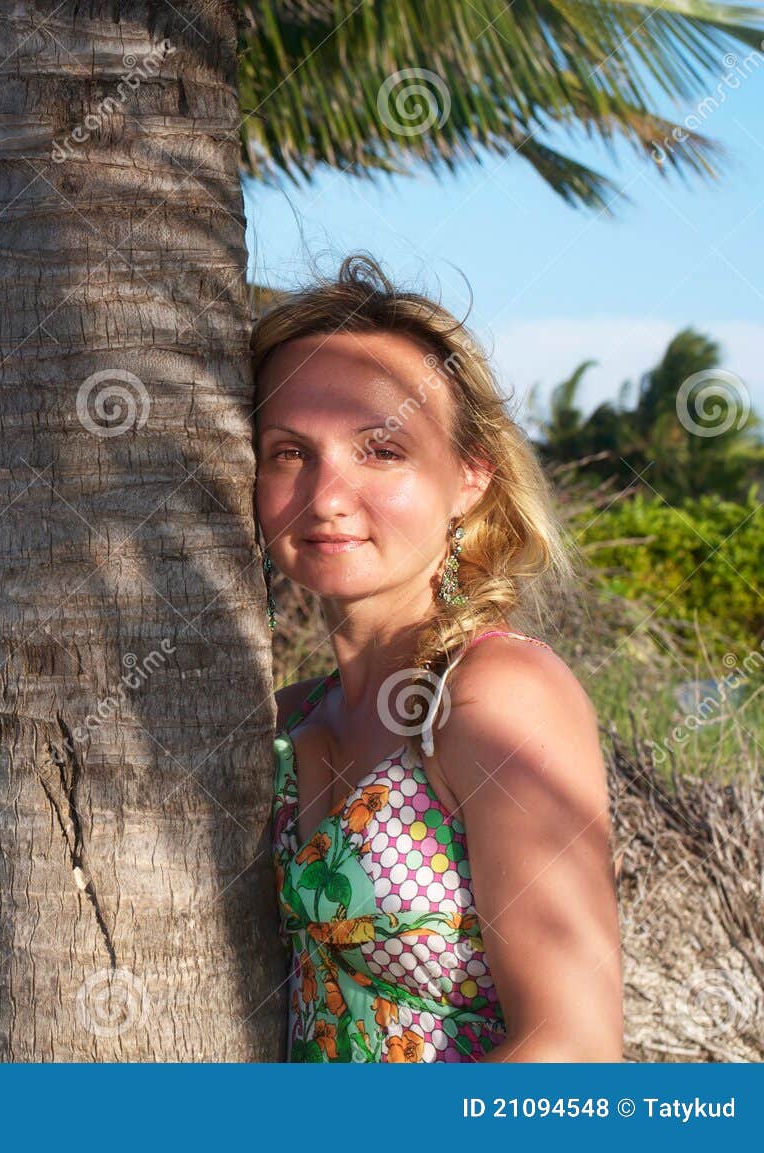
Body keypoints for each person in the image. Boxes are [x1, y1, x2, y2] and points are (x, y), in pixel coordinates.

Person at [254, 254, 623, 1062]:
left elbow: (573, 1052)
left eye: (380, 451)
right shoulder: (288, 716)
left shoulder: (497, 694)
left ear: (470, 477)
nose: (325, 496)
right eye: (288, 452)